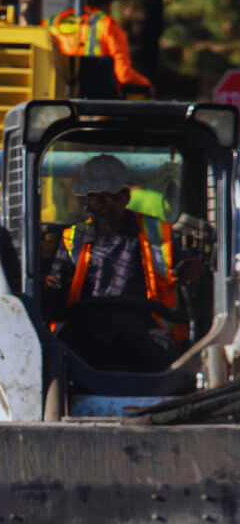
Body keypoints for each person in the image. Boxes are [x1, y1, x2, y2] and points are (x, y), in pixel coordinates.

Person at [44, 153, 194, 372]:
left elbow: (184, 269)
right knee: (59, 353)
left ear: (126, 196)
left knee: (165, 352)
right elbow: (57, 290)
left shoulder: (157, 233)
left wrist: (191, 270)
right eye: (99, 197)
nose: (107, 204)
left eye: (114, 195)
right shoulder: (72, 239)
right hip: (87, 327)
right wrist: (48, 283)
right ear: (87, 198)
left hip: (143, 326)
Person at [43, 0, 152, 93]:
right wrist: (147, 84)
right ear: (108, 2)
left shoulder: (48, 24)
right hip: (94, 104)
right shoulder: (107, 25)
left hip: (52, 102)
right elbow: (123, 75)